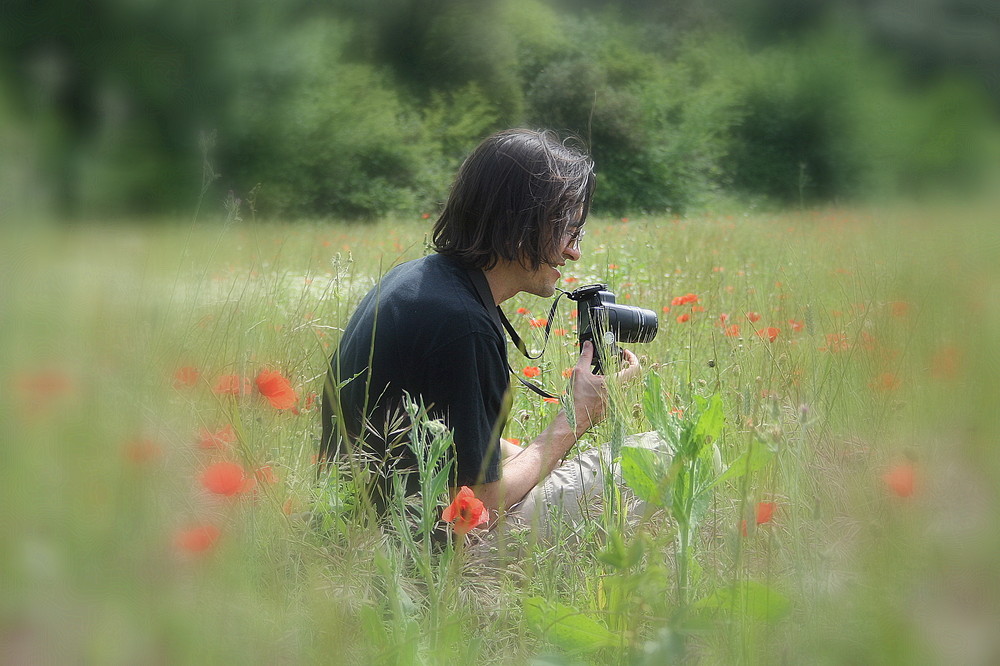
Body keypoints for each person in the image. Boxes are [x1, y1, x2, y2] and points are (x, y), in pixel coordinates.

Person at [320, 128, 646, 533]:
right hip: (416, 548)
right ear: (520, 222)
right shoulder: (463, 326)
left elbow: (462, 453)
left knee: (629, 456)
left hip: (360, 526)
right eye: (568, 231)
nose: (573, 251)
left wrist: (541, 453)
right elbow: (480, 504)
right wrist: (574, 418)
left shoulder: (419, 281)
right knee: (661, 458)